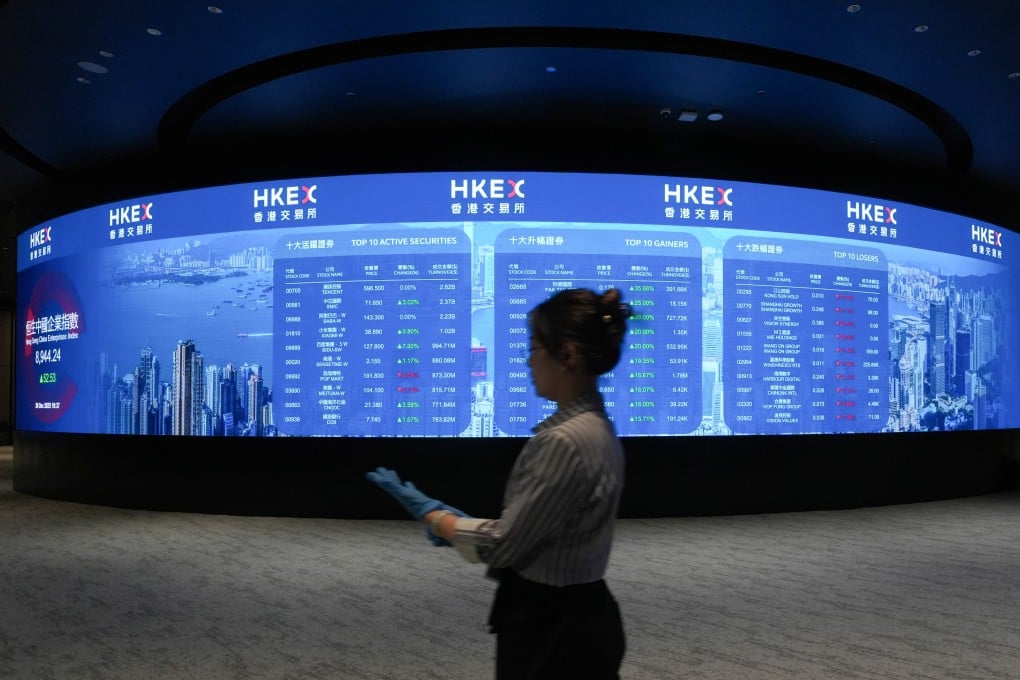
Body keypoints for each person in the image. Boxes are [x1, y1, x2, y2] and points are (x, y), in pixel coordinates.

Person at [367, 287, 632, 680]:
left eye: (534, 348)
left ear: (568, 355)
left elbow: (505, 545)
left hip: (553, 628)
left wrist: (438, 519)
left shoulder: (564, 441)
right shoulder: (596, 427)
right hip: (583, 614)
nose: (528, 362)